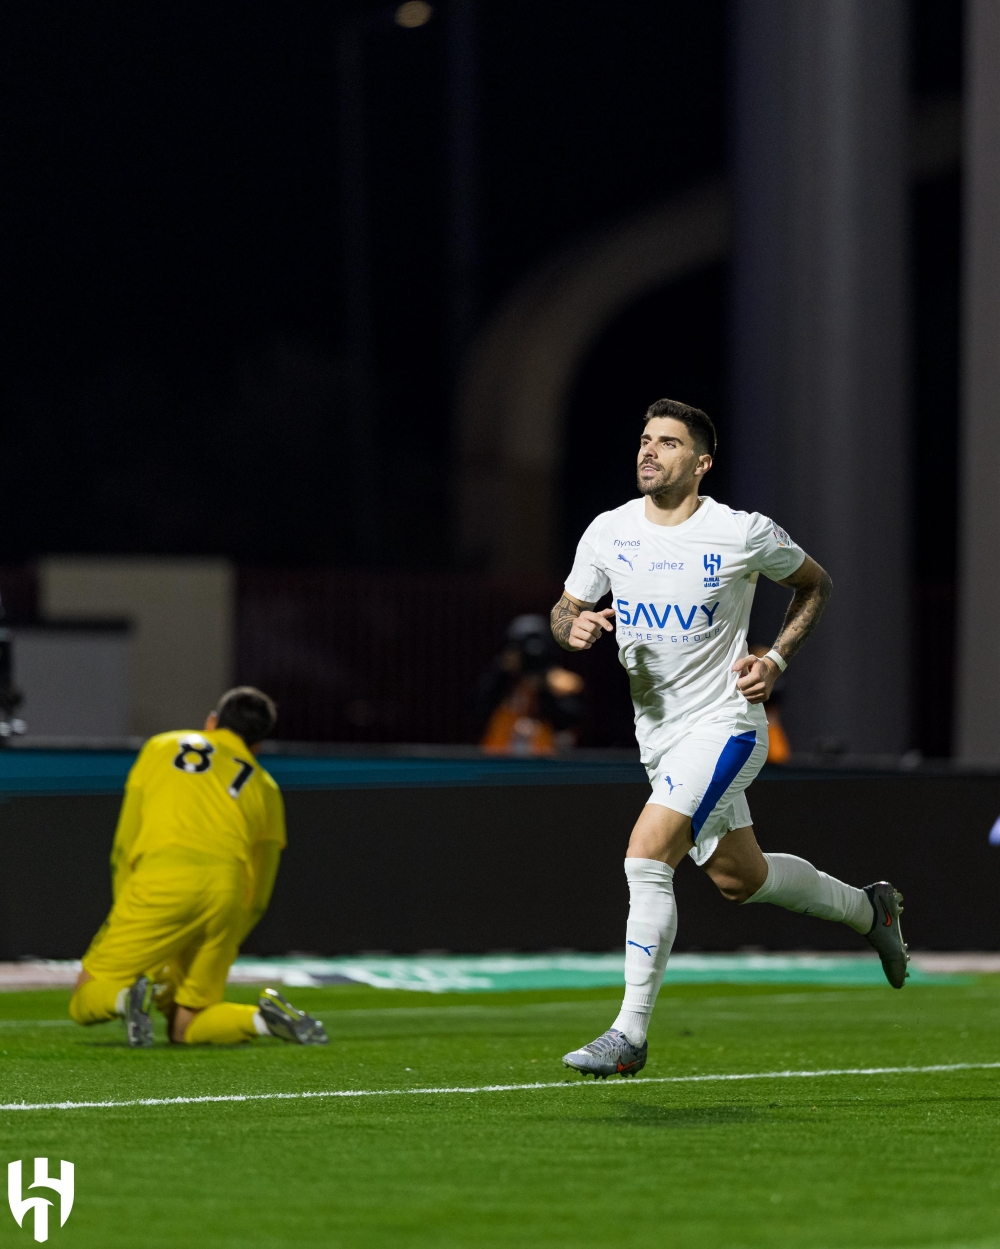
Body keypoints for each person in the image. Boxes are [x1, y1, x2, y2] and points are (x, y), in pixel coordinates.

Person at [552, 398, 907, 1080]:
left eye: (669, 442)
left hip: (725, 726)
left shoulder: (740, 532)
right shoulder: (608, 531)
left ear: (702, 463)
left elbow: (815, 584)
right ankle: (871, 911)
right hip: (659, 739)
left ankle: (629, 1034)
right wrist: (574, 627)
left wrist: (775, 659)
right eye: (645, 439)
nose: (649, 450)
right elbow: (565, 610)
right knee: (742, 879)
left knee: (646, 853)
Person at [70, 686, 327, 1047]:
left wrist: (128, 906)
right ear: (258, 744)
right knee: (186, 1025)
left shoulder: (161, 746)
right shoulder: (266, 787)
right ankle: (261, 1020)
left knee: (85, 996)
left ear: (212, 721)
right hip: (225, 892)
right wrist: (227, 936)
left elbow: (124, 846)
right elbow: (259, 893)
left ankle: (125, 998)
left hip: (162, 881)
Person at [477, 614, 585, 755]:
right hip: (498, 760)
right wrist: (500, 672)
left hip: (545, 761)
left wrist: (543, 686)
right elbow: (477, 711)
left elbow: (569, 721)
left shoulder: (562, 683)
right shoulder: (502, 680)